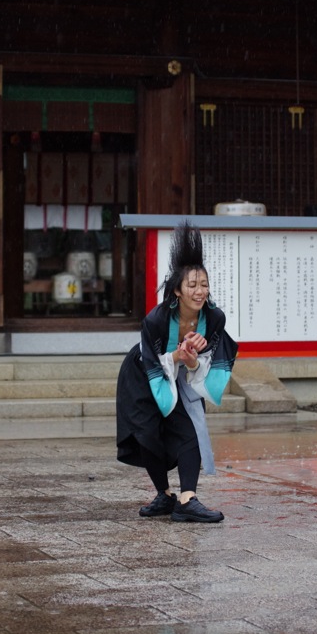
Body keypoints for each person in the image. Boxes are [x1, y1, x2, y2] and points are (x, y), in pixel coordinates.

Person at [116, 221, 238, 523]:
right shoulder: (157, 319)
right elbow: (151, 359)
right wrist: (176, 355)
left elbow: (211, 362)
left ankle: (187, 498)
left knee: (189, 429)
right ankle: (164, 495)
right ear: (177, 291)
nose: (200, 292)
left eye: (204, 285)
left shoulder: (214, 318)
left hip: (182, 378)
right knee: (148, 433)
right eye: (192, 286)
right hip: (144, 374)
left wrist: (193, 360)